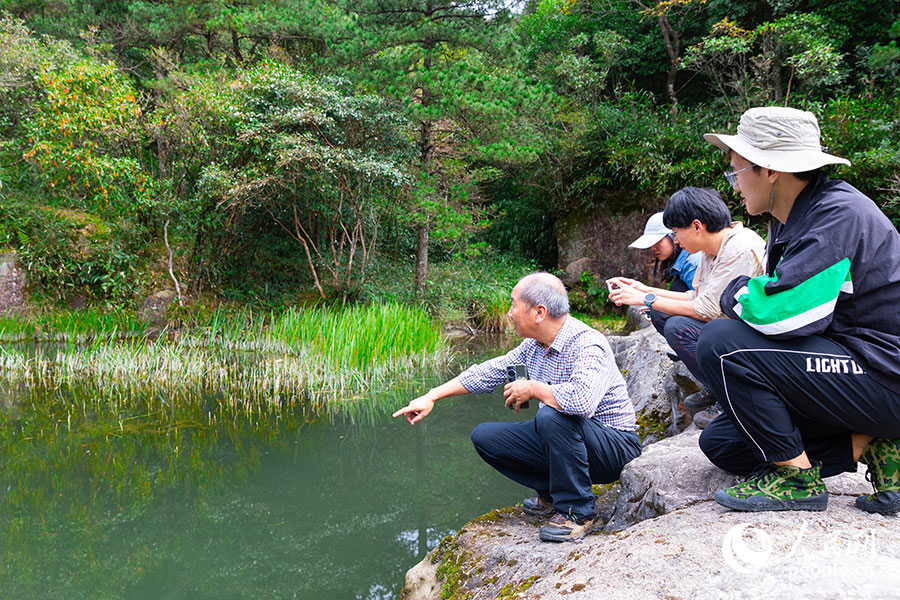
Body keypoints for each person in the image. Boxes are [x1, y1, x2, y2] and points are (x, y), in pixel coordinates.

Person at [697, 106, 900, 514]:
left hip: (884, 374)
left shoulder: (838, 216)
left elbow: (779, 313)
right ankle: (871, 442)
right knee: (722, 443)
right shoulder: (789, 218)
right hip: (853, 369)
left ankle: (796, 480)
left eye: (735, 171)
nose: (733, 184)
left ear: (771, 170)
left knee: (720, 342)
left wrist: (731, 292)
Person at [392, 272, 641, 542]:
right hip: (573, 440)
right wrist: (432, 396)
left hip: (615, 448)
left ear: (539, 312)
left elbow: (581, 401)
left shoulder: (587, 344)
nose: (509, 313)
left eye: (513, 304)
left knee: (551, 416)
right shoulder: (532, 346)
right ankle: (552, 492)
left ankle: (578, 512)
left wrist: (533, 388)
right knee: (486, 437)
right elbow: (487, 372)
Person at [607, 187, 765, 428]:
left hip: (755, 340)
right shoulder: (711, 249)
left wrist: (645, 299)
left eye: (675, 232)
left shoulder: (739, 248)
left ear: (697, 226)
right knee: (660, 314)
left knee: (678, 327)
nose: (676, 239)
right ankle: (716, 386)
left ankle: (731, 394)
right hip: (729, 331)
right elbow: (696, 295)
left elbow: (708, 309)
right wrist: (643, 290)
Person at [629, 211, 701, 293]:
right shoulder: (685, 263)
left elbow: (705, 303)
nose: (653, 248)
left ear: (674, 236)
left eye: (657, 242)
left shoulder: (692, 264)